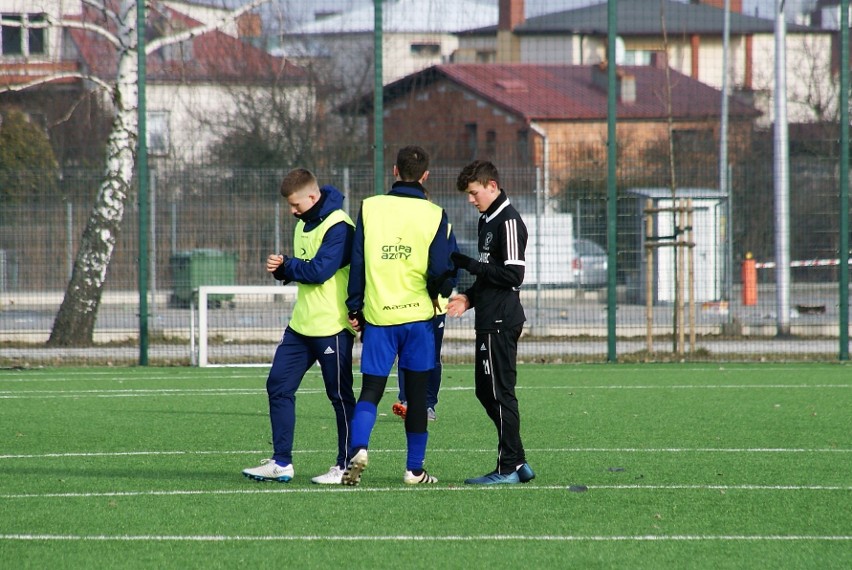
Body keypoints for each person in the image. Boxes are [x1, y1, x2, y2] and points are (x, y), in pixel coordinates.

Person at [342, 145, 454, 486]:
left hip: (379, 317)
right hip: (419, 318)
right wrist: (440, 294)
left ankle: (358, 448)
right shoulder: (436, 214)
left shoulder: (370, 208)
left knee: (371, 390)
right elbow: (442, 269)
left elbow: (358, 260)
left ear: (394, 171)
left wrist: (355, 306)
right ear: (425, 176)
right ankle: (414, 470)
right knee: (417, 396)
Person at [242, 168, 356, 485]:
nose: (292, 211)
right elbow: (304, 271)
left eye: (296, 205)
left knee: (340, 396)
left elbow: (320, 270)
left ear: (312, 196)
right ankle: (281, 462)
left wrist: (288, 264)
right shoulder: (305, 223)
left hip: (332, 325)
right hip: (301, 325)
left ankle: (345, 465)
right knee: (278, 385)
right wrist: (283, 270)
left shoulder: (341, 226)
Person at [446, 160, 536, 485]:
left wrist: (469, 264)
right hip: (487, 318)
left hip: (502, 318)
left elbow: (514, 275)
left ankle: (508, 467)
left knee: (499, 394)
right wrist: (468, 298)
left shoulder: (508, 221)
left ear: (492, 187)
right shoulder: (487, 219)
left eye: (474, 193)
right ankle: (519, 460)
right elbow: (489, 274)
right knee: (487, 392)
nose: (471, 199)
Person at [393, 223, 459, 422]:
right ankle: (405, 401)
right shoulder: (401, 227)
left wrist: (446, 287)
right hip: (406, 302)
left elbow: (453, 265)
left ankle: (428, 405)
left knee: (431, 354)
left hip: (435, 305)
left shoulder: (444, 228)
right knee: (405, 352)